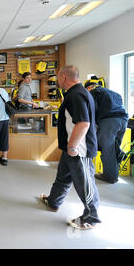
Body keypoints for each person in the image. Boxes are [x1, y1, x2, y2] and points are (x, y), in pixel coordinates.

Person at [40, 65, 101, 230]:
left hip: (79, 149)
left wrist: (73, 146)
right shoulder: (79, 93)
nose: (57, 81)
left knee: (85, 184)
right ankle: (54, 201)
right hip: (71, 148)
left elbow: (84, 123)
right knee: (63, 177)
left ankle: (91, 218)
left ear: (63, 76)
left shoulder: (75, 95)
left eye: (58, 78)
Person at [85, 80, 128, 184]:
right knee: (114, 147)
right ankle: (115, 170)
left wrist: (92, 124)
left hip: (109, 121)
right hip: (123, 120)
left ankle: (109, 177)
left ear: (89, 87)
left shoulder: (94, 92)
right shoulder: (114, 93)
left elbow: (93, 109)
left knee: (107, 149)